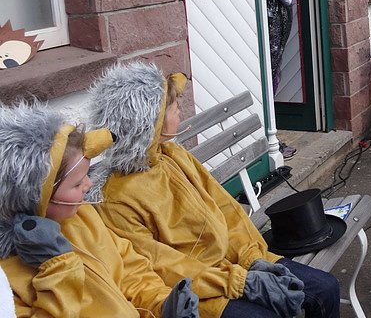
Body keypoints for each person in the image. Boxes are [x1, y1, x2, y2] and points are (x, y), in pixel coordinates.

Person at [87, 63, 340, 318]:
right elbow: (163, 266)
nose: (180, 114)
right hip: (201, 288)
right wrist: (238, 281)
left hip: (236, 264)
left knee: (326, 288)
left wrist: (251, 258)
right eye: (174, 109)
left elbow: (225, 210)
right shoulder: (116, 196)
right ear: (150, 124)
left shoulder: (173, 155)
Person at [0, 102, 200, 318]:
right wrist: (58, 269)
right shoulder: (8, 274)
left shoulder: (82, 217)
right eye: (76, 184)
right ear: (35, 198)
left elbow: (129, 268)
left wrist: (162, 304)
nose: (88, 185)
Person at [261, 0, 299, 159]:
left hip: (275, 35)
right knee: (270, 81)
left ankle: (270, 136)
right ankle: (270, 138)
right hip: (272, 34)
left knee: (273, 78)